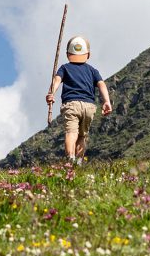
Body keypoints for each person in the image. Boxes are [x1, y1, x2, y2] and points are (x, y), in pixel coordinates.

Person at [45, 35, 112, 164]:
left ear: (67, 54)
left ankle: (70, 160)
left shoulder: (64, 68)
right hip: (89, 106)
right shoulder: (92, 70)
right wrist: (107, 101)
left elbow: (57, 80)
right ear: (88, 54)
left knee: (71, 132)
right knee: (82, 135)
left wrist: (51, 93)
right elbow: (101, 84)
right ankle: (79, 163)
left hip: (71, 104)